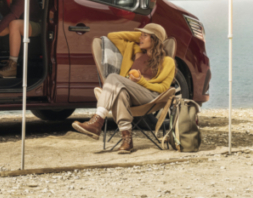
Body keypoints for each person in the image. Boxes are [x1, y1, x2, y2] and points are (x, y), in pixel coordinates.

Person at [71, 23, 175, 154]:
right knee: (120, 92)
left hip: (150, 96)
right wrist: (142, 36)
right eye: (140, 35)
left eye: (145, 35)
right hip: (128, 92)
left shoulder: (167, 61)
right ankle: (127, 139)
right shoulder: (134, 50)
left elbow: (163, 88)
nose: (140, 38)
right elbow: (113, 36)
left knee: (113, 77)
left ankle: (97, 121)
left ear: (155, 39)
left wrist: (141, 82)